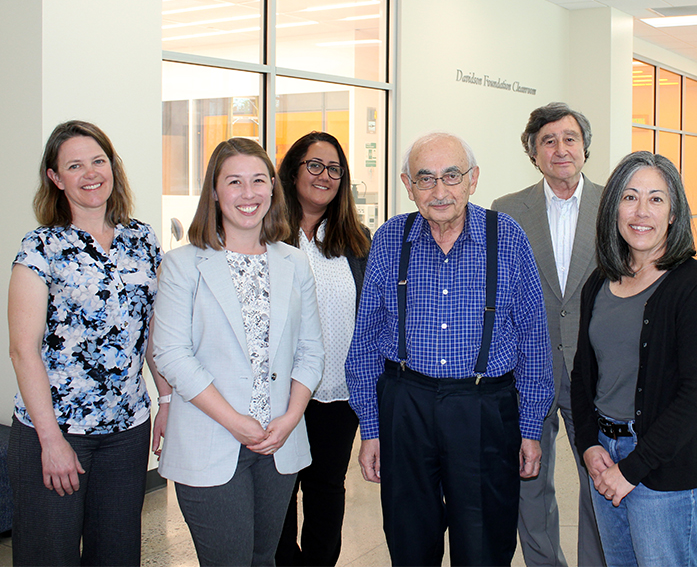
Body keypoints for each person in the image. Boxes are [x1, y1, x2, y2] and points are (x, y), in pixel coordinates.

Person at [345, 132, 554, 567]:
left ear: (473, 179)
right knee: (409, 539)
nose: (440, 191)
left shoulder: (506, 237)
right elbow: (365, 340)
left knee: (483, 543)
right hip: (406, 405)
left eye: (452, 176)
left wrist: (531, 427)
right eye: (426, 179)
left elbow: (534, 341)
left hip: (484, 407)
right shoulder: (389, 239)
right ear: (407, 184)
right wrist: (371, 426)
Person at [152, 137, 325, 566]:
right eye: (234, 182)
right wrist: (236, 423)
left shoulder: (293, 261)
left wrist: (290, 417)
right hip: (211, 439)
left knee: (264, 558)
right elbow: (171, 353)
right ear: (214, 191)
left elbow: (311, 350)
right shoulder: (182, 265)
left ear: (272, 188)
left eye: (258, 181)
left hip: (278, 443)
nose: (248, 194)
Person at [7, 120, 169, 566]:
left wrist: (167, 400)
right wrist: (50, 439)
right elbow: (23, 349)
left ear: (112, 167)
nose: (90, 173)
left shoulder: (142, 240)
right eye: (74, 165)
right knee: (48, 555)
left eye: (98, 161)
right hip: (56, 430)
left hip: (127, 429)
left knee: (117, 555)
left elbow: (153, 330)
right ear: (56, 179)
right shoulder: (41, 247)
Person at [571, 151, 697, 567]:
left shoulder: (696, 289)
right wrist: (588, 444)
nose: (641, 212)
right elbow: (584, 375)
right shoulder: (600, 281)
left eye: (656, 199)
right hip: (605, 453)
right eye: (629, 197)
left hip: (666, 465)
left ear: (674, 212)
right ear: (613, 209)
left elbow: (696, 397)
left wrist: (631, 469)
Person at [492, 102, 605, 567]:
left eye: (570, 138)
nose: (561, 149)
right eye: (549, 141)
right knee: (529, 480)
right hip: (528, 369)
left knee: (599, 478)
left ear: (585, 147)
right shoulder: (506, 211)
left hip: (597, 370)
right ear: (533, 153)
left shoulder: (614, 203)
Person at [275, 132, 371, 567]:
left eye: (334, 169)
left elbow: (369, 318)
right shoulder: (266, 233)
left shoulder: (355, 239)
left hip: (337, 393)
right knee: (279, 493)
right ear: (293, 171)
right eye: (314, 165)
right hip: (279, 394)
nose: (325, 176)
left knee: (326, 490)